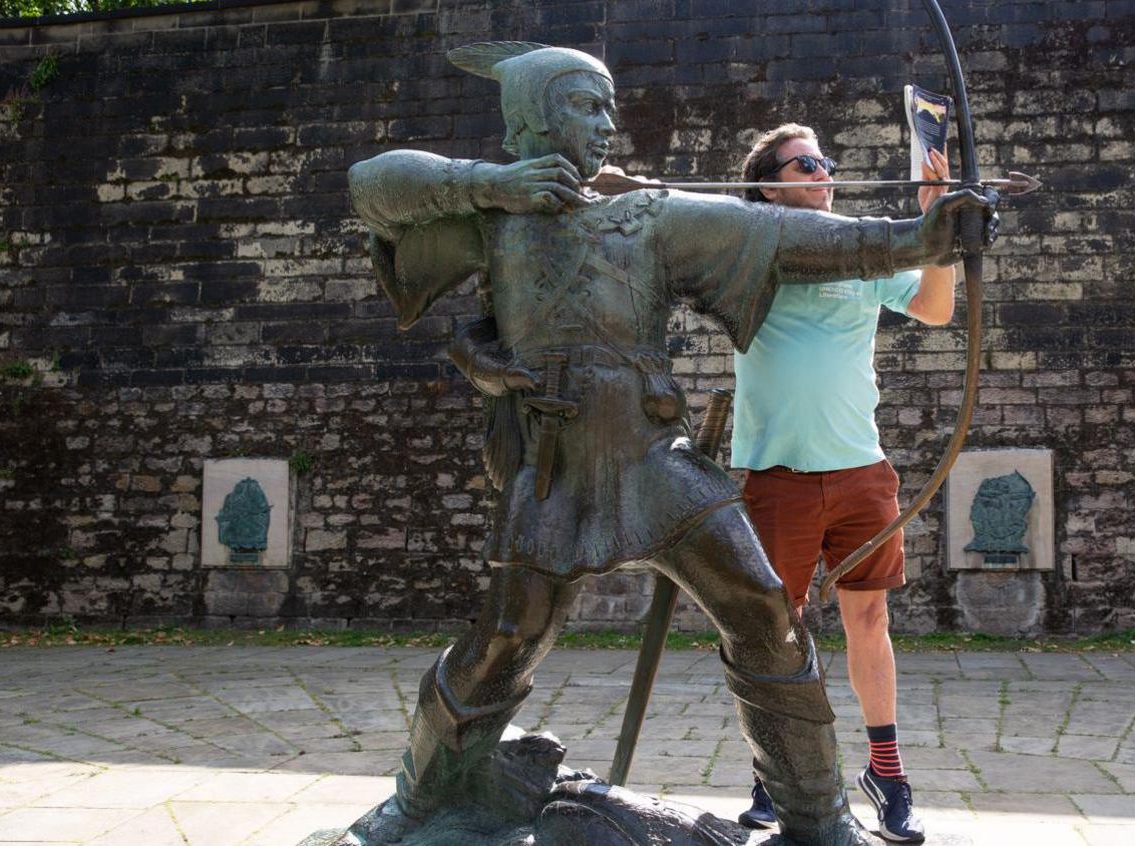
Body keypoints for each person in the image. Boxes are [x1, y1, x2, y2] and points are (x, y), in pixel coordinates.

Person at [341, 42, 995, 846]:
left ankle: (820, 822)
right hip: (552, 468)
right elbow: (370, 187)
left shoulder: (654, 216)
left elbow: (803, 239)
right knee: (503, 642)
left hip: (656, 461)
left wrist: (926, 236)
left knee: (763, 611)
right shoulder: (493, 214)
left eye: (609, 105)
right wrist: (492, 187)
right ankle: (419, 796)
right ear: (529, 118)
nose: (607, 122)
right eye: (586, 104)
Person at [731, 124, 957, 844]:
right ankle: (778, 773)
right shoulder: (748, 249)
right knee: (779, 632)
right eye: (807, 163)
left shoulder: (863, 248)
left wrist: (937, 223)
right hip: (779, 475)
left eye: (826, 162)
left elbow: (935, 306)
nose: (824, 171)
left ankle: (886, 773)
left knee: (869, 621)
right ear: (770, 184)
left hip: (860, 468)